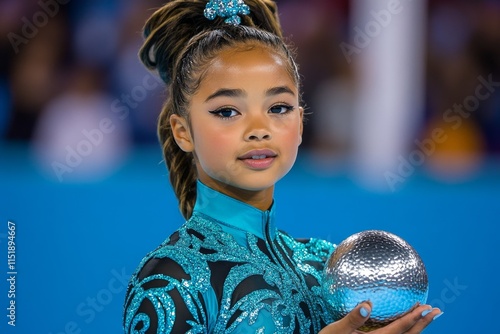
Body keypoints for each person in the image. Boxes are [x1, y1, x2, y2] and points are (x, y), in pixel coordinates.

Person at [123, 0, 442, 333]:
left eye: (278, 107)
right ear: (183, 132)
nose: (259, 128)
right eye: (228, 111)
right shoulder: (171, 278)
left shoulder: (327, 268)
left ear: (300, 123)